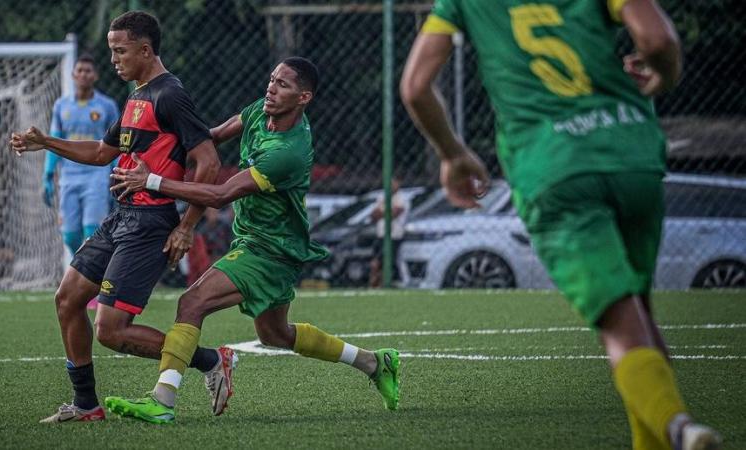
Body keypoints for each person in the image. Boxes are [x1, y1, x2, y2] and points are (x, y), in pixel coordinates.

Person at [400, 1, 720, 449]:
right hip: (632, 154)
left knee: (620, 322)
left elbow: (415, 87)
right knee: (639, 318)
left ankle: (677, 424)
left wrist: (453, 154)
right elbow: (658, 39)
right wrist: (663, 77)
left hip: (553, 166)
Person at [106, 57, 401, 424]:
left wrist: (151, 181)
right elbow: (207, 138)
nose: (271, 88)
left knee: (192, 302)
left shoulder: (287, 153)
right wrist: (164, 144)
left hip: (270, 250)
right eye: (272, 79)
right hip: (258, 242)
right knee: (276, 333)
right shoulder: (260, 112)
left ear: (304, 97)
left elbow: (220, 195)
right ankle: (374, 362)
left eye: (283, 85)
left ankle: (162, 401)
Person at [10, 11, 236, 423]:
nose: (114, 59)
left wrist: (186, 227)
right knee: (67, 300)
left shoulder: (170, 95)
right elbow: (101, 153)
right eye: (112, 50)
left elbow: (207, 161)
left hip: (150, 225)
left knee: (111, 330)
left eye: (120, 50)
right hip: (122, 218)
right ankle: (85, 405)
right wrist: (46, 143)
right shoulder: (137, 96)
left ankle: (209, 360)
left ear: (145, 50)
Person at [43, 54, 120, 266]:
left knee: (92, 232)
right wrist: (48, 175)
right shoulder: (61, 106)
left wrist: (117, 173)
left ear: (95, 76)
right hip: (68, 177)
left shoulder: (107, 106)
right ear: (73, 75)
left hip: (96, 176)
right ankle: (89, 272)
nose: (83, 74)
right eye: (80, 71)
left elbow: (117, 146)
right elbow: (54, 141)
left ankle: (92, 283)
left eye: (88, 71)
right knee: (69, 235)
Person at [369, 176, 408, 288]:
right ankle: (375, 285)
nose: (391, 185)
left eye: (394, 182)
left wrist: (382, 211)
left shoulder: (402, 198)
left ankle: (388, 283)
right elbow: (373, 216)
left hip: (394, 235)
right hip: (381, 234)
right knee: (375, 263)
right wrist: (386, 211)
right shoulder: (381, 196)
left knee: (386, 262)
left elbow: (395, 214)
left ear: (399, 183)